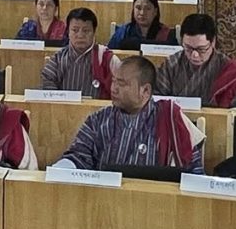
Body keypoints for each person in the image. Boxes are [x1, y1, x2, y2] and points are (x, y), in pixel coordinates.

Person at [55, 55, 203, 172]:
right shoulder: (98, 120)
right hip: (105, 199)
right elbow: (78, 156)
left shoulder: (170, 119)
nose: (113, 88)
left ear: (145, 90)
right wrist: (60, 168)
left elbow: (193, 171)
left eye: (121, 83)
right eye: (113, 81)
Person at [155, 12, 236, 108]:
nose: (194, 55)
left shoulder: (228, 70)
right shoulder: (172, 64)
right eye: (188, 48)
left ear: (213, 42)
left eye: (201, 49)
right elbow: (157, 100)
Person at [38, 8, 114, 98]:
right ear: (68, 32)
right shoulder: (58, 59)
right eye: (75, 30)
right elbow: (48, 86)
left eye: (86, 31)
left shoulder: (106, 58)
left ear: (94, 32)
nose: (80, 35)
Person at [109, 0, 174, 50]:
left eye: (147, 9)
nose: (142, 13)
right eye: (138, 8)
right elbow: (111, 54)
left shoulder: (166, 33)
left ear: (155, 12)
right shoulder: (123, 32)